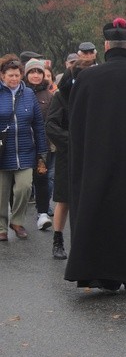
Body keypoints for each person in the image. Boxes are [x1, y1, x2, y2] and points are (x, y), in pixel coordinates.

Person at [64, 18, 126, 292]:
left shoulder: (86, 77)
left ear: (105, 46)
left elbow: (75, 124)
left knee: (95, 212)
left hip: (94, 160)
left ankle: (94, 272)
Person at [45, 58, 95, 260]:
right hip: (69, 153)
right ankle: (58, 240)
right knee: (64, 200)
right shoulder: (61, 96)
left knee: (89, 200)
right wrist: (74, 141)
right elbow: (51, 126)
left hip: (92, 154)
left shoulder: (97, 95)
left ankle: (86, 243)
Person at [0, 59, 47, 242]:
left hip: (26, 151)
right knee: (2, 194)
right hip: (3, 152)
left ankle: (17, 222)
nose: (14, 78)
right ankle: (2, 227)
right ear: (2, 76)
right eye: (10, 75)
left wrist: (42, 151)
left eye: (17, 75)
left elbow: (37, 124)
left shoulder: (28, 93)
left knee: (24, 188)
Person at [22, 59, 54, 231]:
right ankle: (17, 214)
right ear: (26, 74)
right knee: (22, 183)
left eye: (39, 72)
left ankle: (43, 212)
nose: (36, 75)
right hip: (21, 145)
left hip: (43, 144)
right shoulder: (20, 93)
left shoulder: (49, 96)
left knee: (42, 178)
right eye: (32, 71)